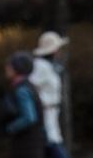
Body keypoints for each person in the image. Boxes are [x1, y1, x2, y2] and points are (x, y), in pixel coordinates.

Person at [31, 30, 69, 158]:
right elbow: (31, 87)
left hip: (52, 117)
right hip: (44, 116)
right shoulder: (40, 66)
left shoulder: (49, 66)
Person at [2, 51, 45, 158]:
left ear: (18, 68)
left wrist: (10, 128)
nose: (6, 68)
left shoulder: (21, 89)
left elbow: (29, 117)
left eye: (10, 66)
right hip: (31, 143)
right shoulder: (27, 86)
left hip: (26, 144)